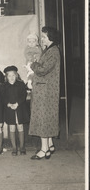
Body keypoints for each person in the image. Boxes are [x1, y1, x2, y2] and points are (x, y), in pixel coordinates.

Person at [29, 26, 61, 160]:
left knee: (43, 119)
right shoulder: (51, 50)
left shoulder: (53, 52)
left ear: (50, 37)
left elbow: (43, 69)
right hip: (46, 90)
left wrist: (32, 65)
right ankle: (49, 145)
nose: (41, 39)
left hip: (46, 92)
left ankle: (44, 149)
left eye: (44, 37)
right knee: (47, 118)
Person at [1, 65, 29, 156]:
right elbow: (3, 97)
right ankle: (14, 148)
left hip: (19, 108)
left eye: (13, 75)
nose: (11, 77)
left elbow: (23, 95)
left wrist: (17, 103)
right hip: (9, 110)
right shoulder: (4, 86)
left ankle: (22, 147)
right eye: (9, 76)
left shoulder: (20, 84)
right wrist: (8, 104)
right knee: (12, 128)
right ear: (6, 77)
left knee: (20, 127)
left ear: (16, 75)